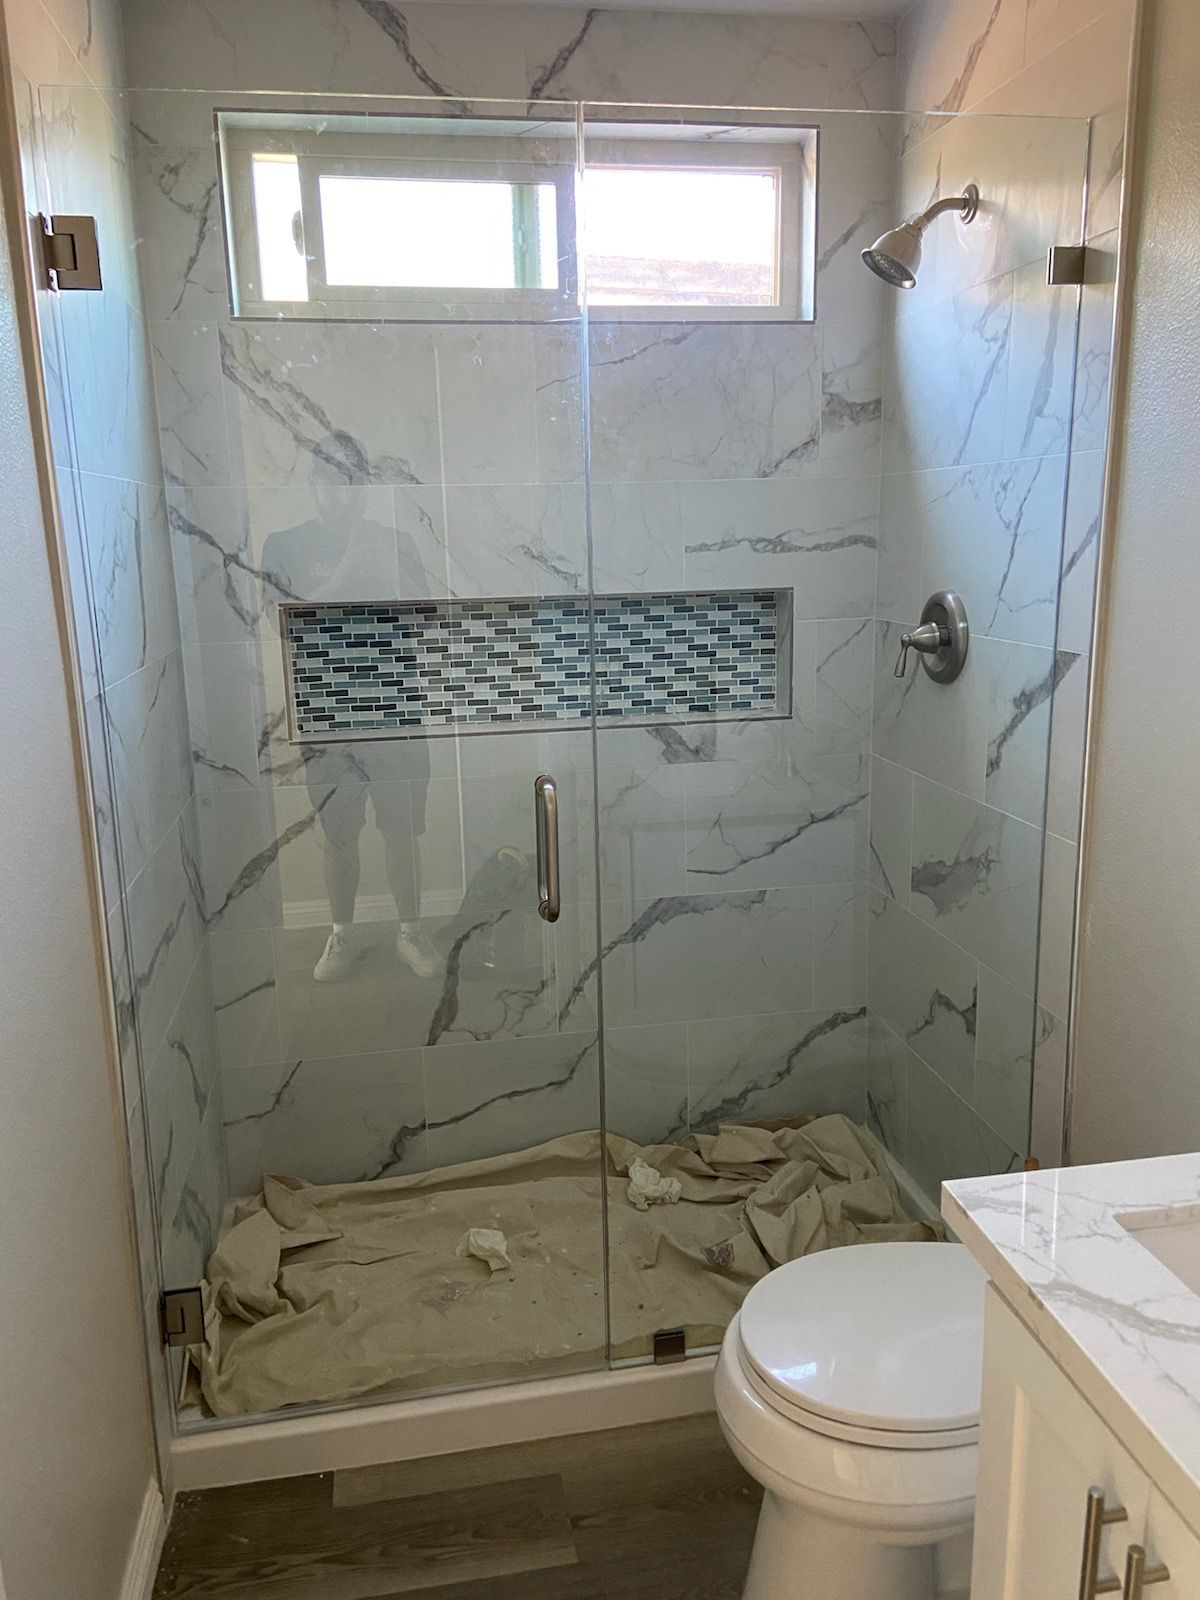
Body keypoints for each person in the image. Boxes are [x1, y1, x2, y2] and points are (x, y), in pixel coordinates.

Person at [260, 432, 440, 983]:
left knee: (402, 827)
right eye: (332, 481)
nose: (343, 494)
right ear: (314, 483)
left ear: (365, 487)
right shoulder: (284, 546)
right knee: (337, 832)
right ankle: (342, 933)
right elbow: (285, 628)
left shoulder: (395, 540)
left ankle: (410, 931)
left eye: (354, 483)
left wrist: (393, 576)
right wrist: (345, 576)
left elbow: (425, 620)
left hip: (394, 705)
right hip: (328, 712)